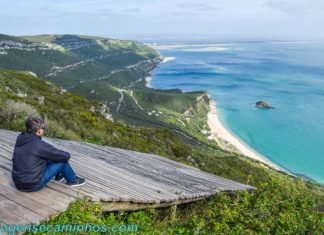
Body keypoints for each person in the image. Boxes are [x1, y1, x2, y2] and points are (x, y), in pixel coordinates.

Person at [12, 116, 85, 192]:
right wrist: (68, 154)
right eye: (43, 128)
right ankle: (73, 180)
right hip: (32, 185)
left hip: (18, 183)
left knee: (49, 156)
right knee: (62, 161)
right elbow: (63, 156)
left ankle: (59, 176)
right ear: (39, 131)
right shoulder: (39, 145)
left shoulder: (20, 138)